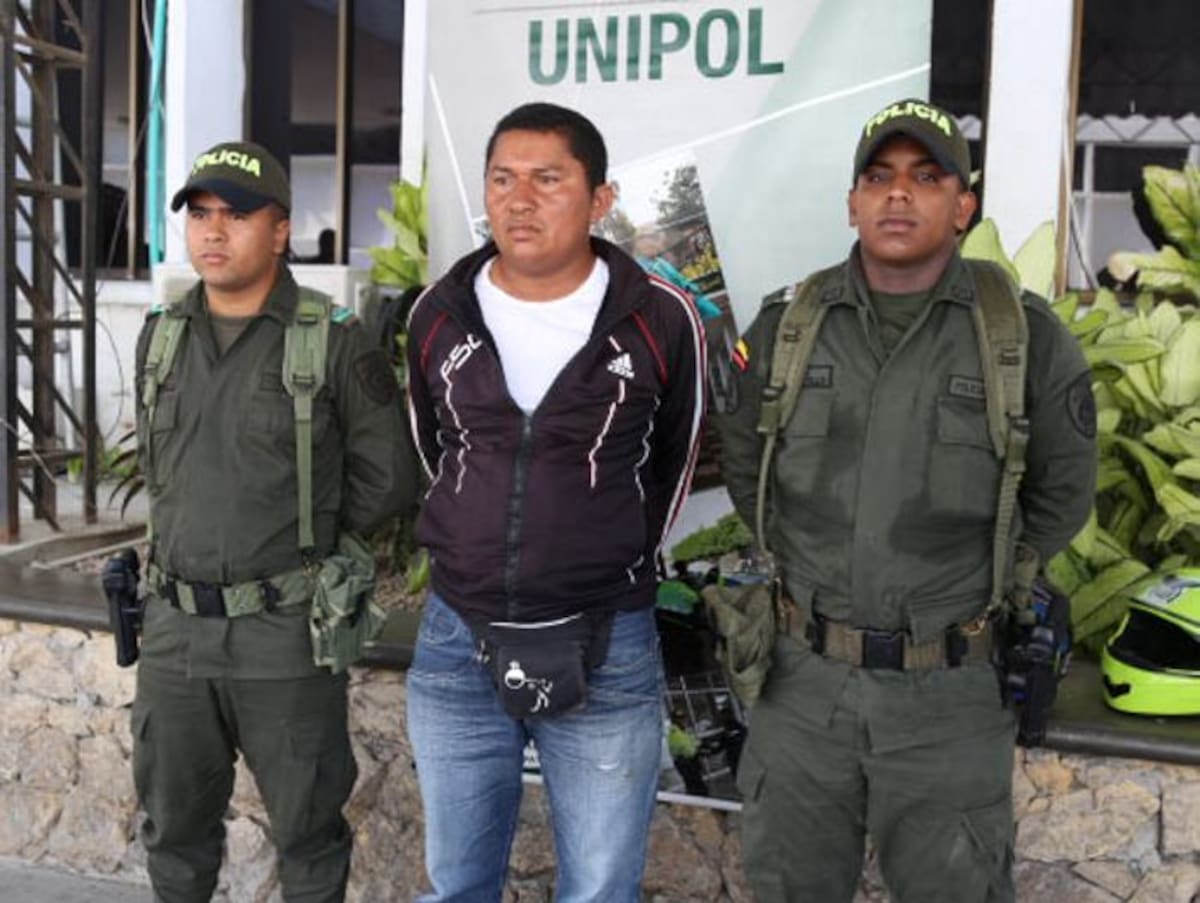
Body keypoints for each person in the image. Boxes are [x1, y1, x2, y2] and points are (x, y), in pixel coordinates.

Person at [715, 99, 1096, 902]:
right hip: (801, 688)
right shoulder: (791, 324)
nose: (898, 195)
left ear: (962, 206)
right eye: (879, 177)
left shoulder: (1022, 337)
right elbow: (749, 462)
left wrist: (992, 583)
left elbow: (1063, 492)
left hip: (948, 698)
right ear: (851, 202)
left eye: (927, 177)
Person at [405, 102, 706, 902]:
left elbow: (674, 460)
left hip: (605, 640)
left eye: (548, 179)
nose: (520, 199)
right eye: (503, 179)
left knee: (602, 887)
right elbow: (436, 452)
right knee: (455, 882)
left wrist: (606, 553)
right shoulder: (438, 314)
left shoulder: (658, 318)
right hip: (455, 640)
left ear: (599, 198)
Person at [131, 140, 416, 902]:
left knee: (308, 837)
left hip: (283, 634)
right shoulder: (160, 335)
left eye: (237, 214)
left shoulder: (332, 337)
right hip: (172, 632)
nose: (213, 231)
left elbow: (387, 478)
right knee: (174, 831)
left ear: (282, 229)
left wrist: (305, 552)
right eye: (200, 213)